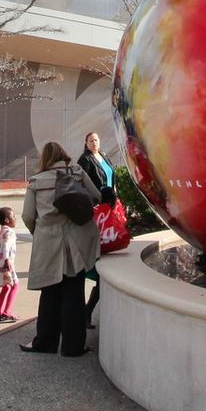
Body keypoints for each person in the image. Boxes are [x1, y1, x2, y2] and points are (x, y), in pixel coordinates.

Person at [19, 140, 100, 358]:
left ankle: (45, 342)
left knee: (50, 293)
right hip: (76, 241)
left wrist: (40, 231)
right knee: (74, 293)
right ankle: (73, 347)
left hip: (48, 241)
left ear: (45, 159)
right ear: (63, 155)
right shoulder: (77, 172)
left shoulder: (36, 181)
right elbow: (96, 196)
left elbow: (27, 216)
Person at [78, 130, 117, 323]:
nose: (94, 143)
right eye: (91, 140)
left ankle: (87, 312)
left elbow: (111, 176)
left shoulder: (103, 156)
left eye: (96, 140)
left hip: (110, 205)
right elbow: (84, 184)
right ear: (86, 143)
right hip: (97, 208)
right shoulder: (85, 160)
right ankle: (86, 312)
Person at [0, 206, 20, 323]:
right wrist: (7, 260)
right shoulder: (9, 232)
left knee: (6, 287)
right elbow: (6, 246)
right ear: (7, 220)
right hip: (7, 263)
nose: (15, 219)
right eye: (14, 217)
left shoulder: (1, 231)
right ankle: (7, 312)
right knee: (15, 285)